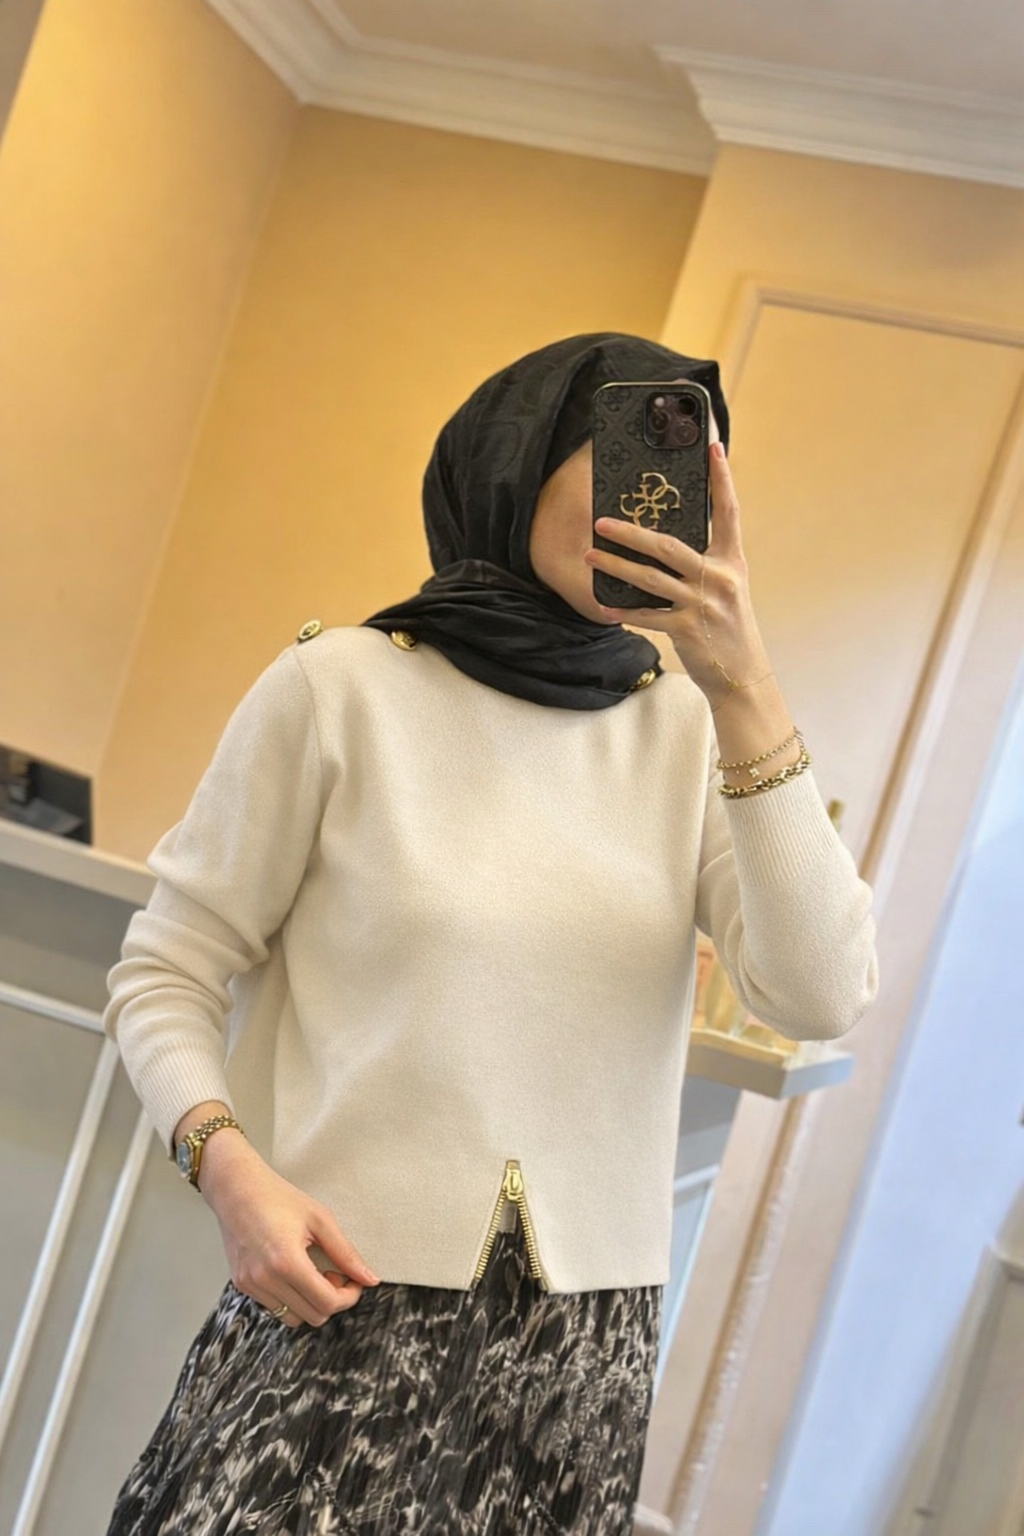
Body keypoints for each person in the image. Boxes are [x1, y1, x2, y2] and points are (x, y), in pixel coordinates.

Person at [103, 333, 877, 1536]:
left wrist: (745, 687)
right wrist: (229, 1171)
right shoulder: (340, 689)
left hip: (580, 1367)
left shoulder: (687, 733)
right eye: (615, 453)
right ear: (517, 460)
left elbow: (820, 992)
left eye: (679, 471)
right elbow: (166, 970)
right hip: (336, 1305)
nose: (645, 500)